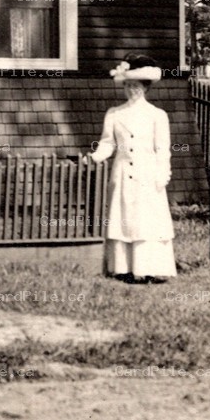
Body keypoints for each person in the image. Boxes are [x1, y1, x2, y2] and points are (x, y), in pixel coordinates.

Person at [86, 55, 176, 283]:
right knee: (124, 219)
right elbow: (107, 143)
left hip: (148, 175)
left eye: (136, 86)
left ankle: (149, 269)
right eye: (127, 85)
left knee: (147, 221)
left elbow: (162, 149)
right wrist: (95, 157)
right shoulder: (115, 113)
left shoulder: (157, 115)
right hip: (123, 174)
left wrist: (162, 175)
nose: (131, 90)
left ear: (145, 88)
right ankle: (123, 268)